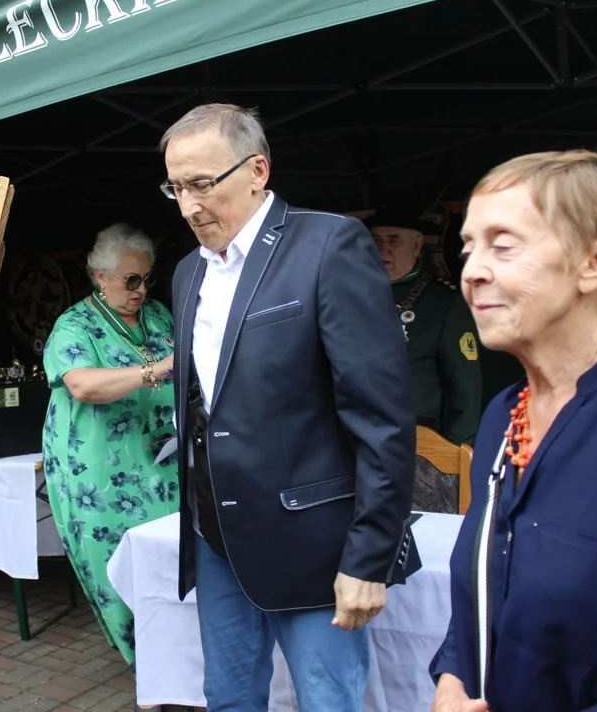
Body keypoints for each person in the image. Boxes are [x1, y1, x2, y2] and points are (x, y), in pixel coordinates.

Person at [162, 103, 420, 712]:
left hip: (313, 543)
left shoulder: (328, 244)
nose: (189, 206)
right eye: (175, 187)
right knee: (227, 698)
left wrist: (370, 556)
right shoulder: (184, 274)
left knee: (327, 702)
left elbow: (381, 417)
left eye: (203, 184)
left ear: (257, 170)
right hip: (215, 535)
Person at [430, 150, 597, 711]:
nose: (473, 271)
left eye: (504, 246)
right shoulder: (505, 415)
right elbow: (483, 588)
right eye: (469, 247)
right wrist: (455, 678)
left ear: (594, 263)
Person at [40, 223, 179, 674]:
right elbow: (81, 385)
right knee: (120, 568)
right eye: (130, 280)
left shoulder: (158, 315)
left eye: (147, 279)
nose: (141, 291)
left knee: (170, 564)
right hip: (99, 473)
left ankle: (177, 661)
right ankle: (150, 669)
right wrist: (156, 371)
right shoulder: (74, 325)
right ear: (100, 276)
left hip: (164, 461)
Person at [368, 211, 482, 513]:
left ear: (417, 246)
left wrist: (458, 456)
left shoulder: (442, 301)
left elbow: (465, 386)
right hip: (354, 441)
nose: (383, 248)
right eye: (377, 240)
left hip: (421, 447)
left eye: (394, 240)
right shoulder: (348, 291)